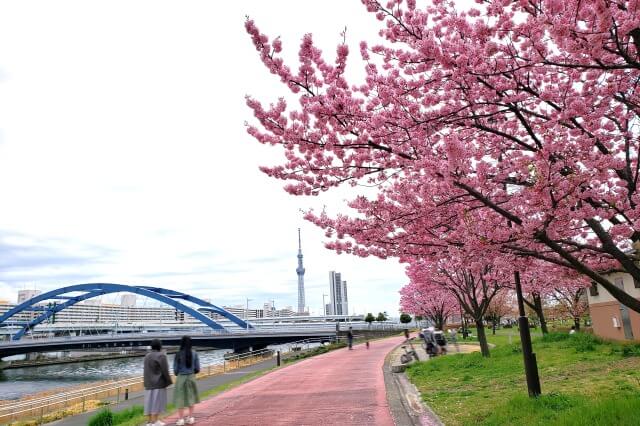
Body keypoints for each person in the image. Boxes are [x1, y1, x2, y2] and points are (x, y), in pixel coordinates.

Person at [173, 336, 201, 426]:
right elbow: (197, 368)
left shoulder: (178, 354)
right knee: (191, 398)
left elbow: (175, 370)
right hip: (191, 377)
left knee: (180, 398)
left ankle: (181, 419)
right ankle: (191, 417)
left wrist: (179, 372)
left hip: (181, 378)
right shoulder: (195, 353)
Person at [144, 339, 172, 426]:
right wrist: (169, 381)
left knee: (149, 403)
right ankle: (155, 421)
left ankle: (149, 422)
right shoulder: (161, 356)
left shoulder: (147, 356)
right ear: (160, 346)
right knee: (157, 402)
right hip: (158, 383)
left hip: (148, 383)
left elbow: (145, 370)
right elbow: (165, 371)